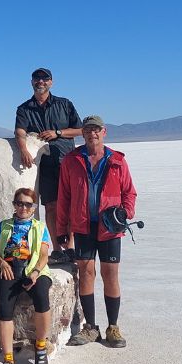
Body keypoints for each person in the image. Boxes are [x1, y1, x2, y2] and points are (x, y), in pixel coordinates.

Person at [58, 115, 137, 348]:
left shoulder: (117, 160)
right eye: (88, 129)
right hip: (83, 225)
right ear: (82, 133)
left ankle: (113, 327)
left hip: (110, 227)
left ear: (104, 132)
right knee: (86, 273)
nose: (92, 133)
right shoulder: (72, 160)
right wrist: (63, 228)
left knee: (110, 274)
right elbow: (64, 196)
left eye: (96, 129)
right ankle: (91, 327)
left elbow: (129, 192)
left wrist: (126, 213)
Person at [15, 67, 82, 264]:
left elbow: (79, 129)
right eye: (37, 79)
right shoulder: (24, 109)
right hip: (44, 165)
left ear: (51, 82)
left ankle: (70, 246)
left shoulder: (64, 104)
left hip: (67, 162)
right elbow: (20, 132)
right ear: (31, 82)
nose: (40, 82)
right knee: (51, 206)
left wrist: (58, 133)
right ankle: (56, 248)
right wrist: (23, 150)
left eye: (45, 79)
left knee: (69, 205)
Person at [0, 188, 53, 364]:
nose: (23, 208)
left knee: (41, 297)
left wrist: (35, 272)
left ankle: (40, 347)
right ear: (14, 205)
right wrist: (1, 262)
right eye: (19, 203)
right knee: (4, 308)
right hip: (9, 268)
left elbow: (43, 254)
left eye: (28, 204)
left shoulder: (40, 227)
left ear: (33, 208)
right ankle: (8, 360)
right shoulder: (4, 225)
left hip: (34, 269)